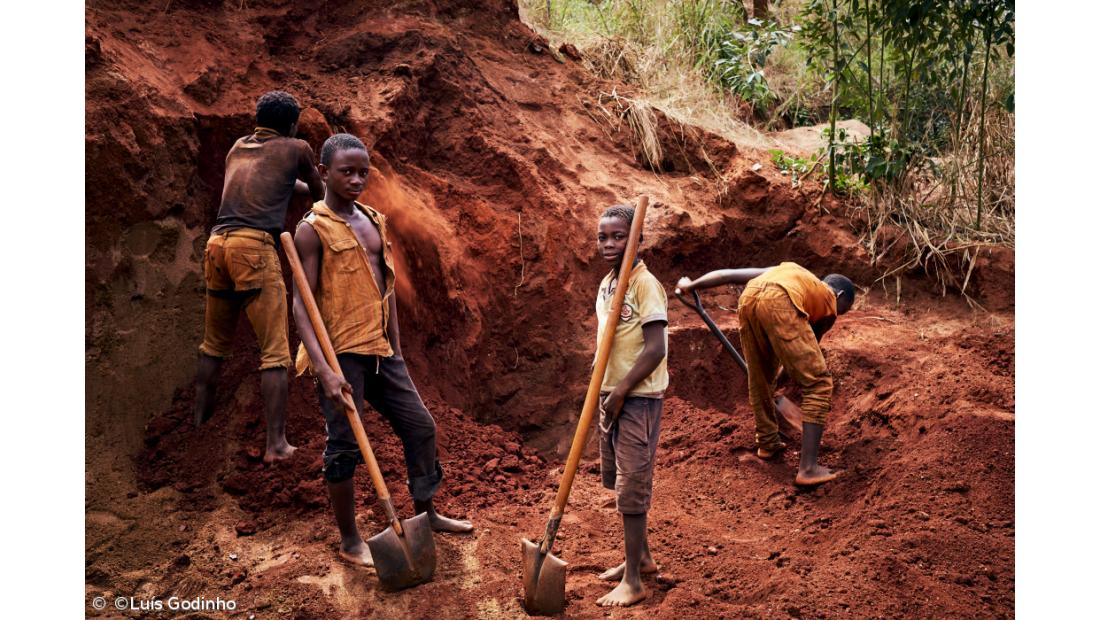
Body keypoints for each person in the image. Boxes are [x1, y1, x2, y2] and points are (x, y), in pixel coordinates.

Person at [290, 134, 473, 568]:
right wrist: (325, 369)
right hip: (341, 354)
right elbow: (301, 303)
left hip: (382, 350)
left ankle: (426, 513)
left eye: (362, 172)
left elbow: (386, 286)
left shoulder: (373, 220)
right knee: (344, 447)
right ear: (323, 173)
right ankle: (350, 540)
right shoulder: (311, 230)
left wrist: (398, 347)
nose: (356, 179)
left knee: (421, 427)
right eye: (346, 172)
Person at [194, 90, 324, 465]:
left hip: (217, 245)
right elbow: (317, 193)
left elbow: (279, 181)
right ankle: (277, 444)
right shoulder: (297, 148)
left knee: (214, 344)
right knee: (275, 353)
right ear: (292, 124)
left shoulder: (238, 146)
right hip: (253, 248)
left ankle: (198, 425)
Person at [676, 262, 855, 486]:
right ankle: (808, 468)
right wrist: (784, 380)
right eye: (842, 309)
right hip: (781, 302)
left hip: (749, 297)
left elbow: (729, 274)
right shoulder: (828, 300)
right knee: (819, 384)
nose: (836, 315)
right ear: (838, 294)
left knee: (760, 377)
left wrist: (691, 285)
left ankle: (768, 443)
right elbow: (808, 359)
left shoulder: (789, 271)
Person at [592, 204, 668, 607]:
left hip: (636, 397)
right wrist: (604, 392)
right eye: (602, 236)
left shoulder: (644, 284)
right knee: (619, 480)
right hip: (611, 395)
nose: (608, 243)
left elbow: (655, 348)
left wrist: (621, 390)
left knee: (632, 486)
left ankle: (634, 581)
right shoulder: (609, 284)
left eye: (618, 236)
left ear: (636, 238)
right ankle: (641, 557)